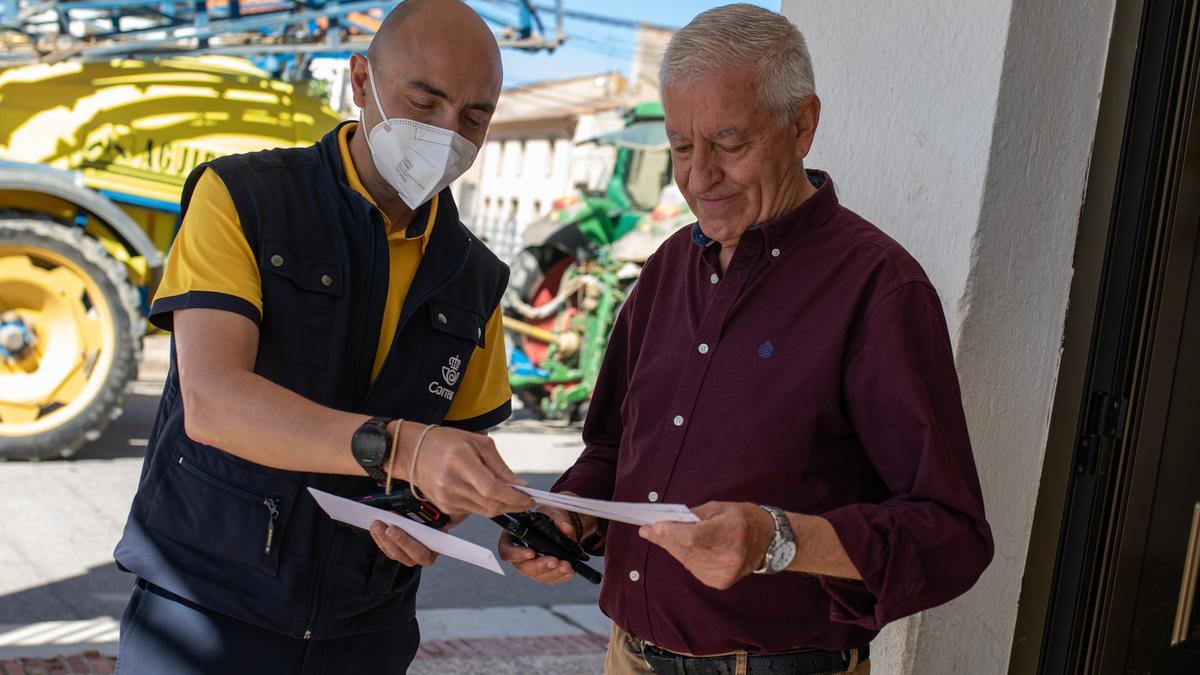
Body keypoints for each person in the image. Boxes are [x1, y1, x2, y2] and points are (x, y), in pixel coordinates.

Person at [499, 4, 995, 674]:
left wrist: (781, 541)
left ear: (803, 126)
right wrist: (566, 519)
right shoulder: (669, 266)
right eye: (680, 147)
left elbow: (951, 536)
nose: (699, 177)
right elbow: (615, 450)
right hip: (630, 655)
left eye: (729, 145)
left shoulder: (880, 290)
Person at [112, 1, 533, 672]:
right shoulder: (243, 198)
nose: (448, 133)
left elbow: (463, 449)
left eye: (475, 117)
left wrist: (431, 513)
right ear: (360, 81)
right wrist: (402, 446)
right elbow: (213, 401)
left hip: (364, 632)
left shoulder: (475, 275)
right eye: (424, 102)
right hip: (205, 610)